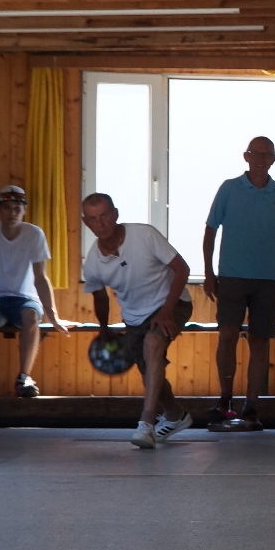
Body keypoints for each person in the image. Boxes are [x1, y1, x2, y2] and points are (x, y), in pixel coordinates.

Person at [79, 193, 195, 450]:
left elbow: (182, 269)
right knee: (149, 371)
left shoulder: (144, 234)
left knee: (153, 343)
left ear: (115, 214)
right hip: (134, 317)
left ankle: (146, 424)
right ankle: (175, 415)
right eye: (94, 219)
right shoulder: (93, 263)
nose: (101, 223)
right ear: (86, 223)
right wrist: (104, 329)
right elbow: (100, 298)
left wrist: (167, 311)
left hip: (173, 303)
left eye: (105, 215)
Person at [202, 135, 275, 431]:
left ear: (273, 160)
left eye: (266, 155)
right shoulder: (229, 188)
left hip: (269, 278)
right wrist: (209, 272)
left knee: (260, 340)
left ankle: (252, 405)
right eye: (255, 153)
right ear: (246, 156)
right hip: (231, 275)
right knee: (228, 334)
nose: (260, 159)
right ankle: (225, 399)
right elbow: (210, 231)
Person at [0, 183, 72, 397]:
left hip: (25, 299)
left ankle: (24, 378)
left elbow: (41, 278)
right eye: (7, 208)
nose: (12, 213)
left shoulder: (34, 234)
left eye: (17, 208)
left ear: (24, 210)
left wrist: (53, 317)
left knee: (30, 315)